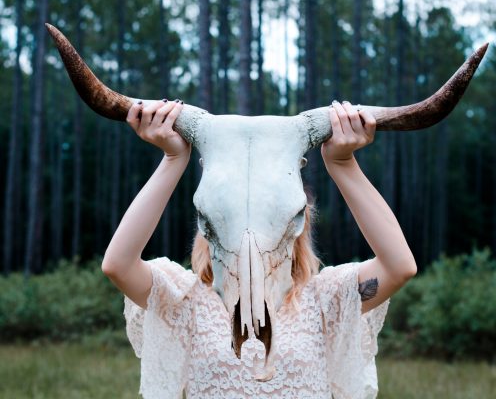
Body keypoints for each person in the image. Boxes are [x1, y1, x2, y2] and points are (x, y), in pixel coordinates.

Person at [101, 98, 417, 399]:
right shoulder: (187, 301)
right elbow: (119, 265)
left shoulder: (323, 301)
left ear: (298, 221)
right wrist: (172, 160)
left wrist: (343, 164)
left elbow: (398, 267)